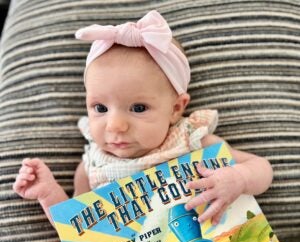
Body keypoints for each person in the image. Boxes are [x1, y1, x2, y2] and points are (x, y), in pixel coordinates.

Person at [13, 10, 273, 226]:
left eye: (138, 108)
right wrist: (48, 194)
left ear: (175, 109)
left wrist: (238, 179)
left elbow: (262, 168)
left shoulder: (191, 140)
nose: (115, 125)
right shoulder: (92, 166)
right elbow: (76, 228)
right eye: (100, 108)